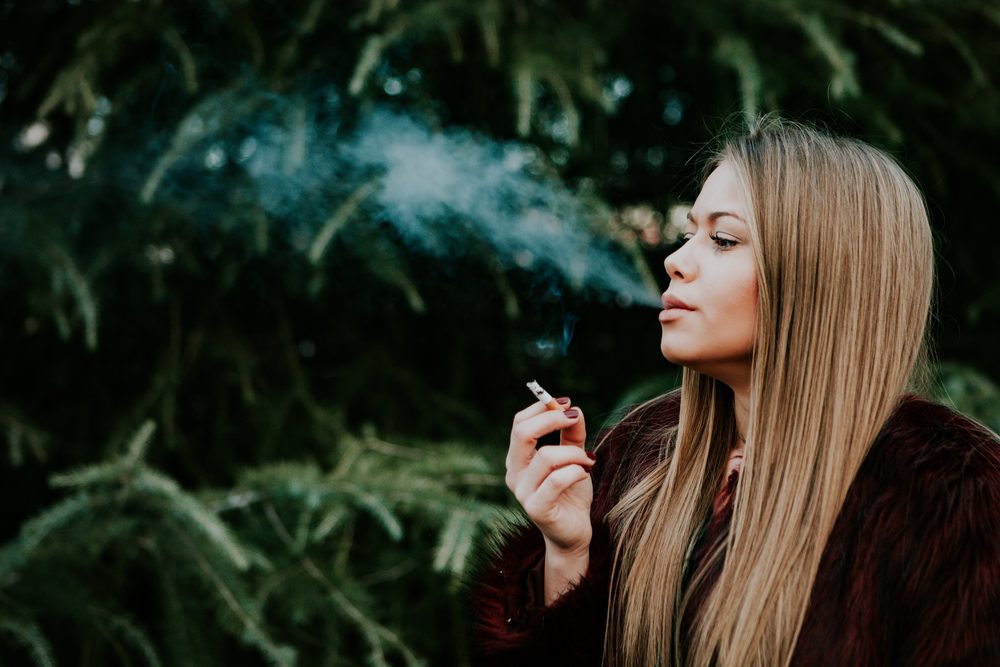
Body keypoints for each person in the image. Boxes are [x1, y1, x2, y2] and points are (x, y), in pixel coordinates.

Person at [469, 116, 1000, 667]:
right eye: (688, 234)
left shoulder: (955, 502)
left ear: (819, 273)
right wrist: (568, 551)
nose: (675, 261)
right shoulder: (633, 462)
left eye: (722, 239)